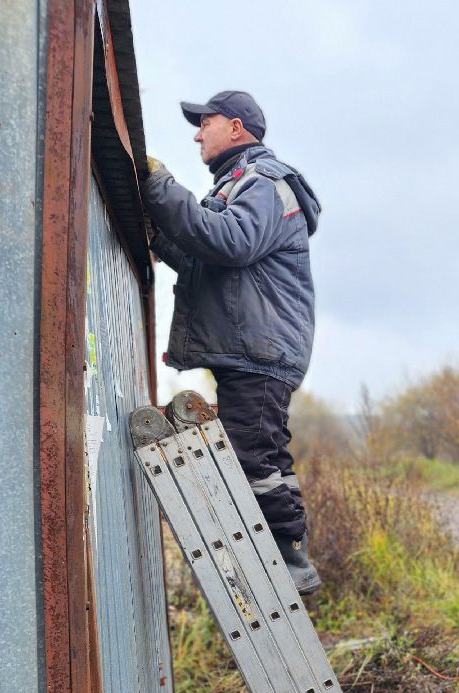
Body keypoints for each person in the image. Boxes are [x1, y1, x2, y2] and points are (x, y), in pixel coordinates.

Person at [141, 90, 325, 594]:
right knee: (264, 451)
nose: (198, 133)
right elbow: (206, 258)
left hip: (259, 350)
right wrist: (158, 236)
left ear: (237, 127)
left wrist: (160, 187)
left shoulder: (263, 182)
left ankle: (288, 565)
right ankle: (286, 554)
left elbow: (231, 241)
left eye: (206, 122)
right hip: (253, 347)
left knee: (252, 455)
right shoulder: (240, 184)